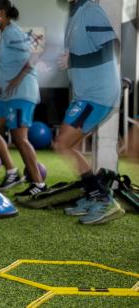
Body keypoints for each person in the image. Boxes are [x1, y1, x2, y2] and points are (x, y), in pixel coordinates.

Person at [54, 0, 125, 224]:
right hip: (85, 94)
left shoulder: (91, 10)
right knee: (68, 145)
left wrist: (73, 60)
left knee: (63, 144)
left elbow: (113, 46)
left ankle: (102, 198)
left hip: (97, 94)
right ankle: (94, 195)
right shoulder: (74, 15)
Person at [0, 0, 47, 198]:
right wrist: (2, 87)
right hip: (7, 94)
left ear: (1, 14)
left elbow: (33, 57)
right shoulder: (5, 33)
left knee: (20, 138)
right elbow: (8, 64)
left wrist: (16, 80)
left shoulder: (13, 32)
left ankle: (38, 183)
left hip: (21, 91)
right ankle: (12, 172)